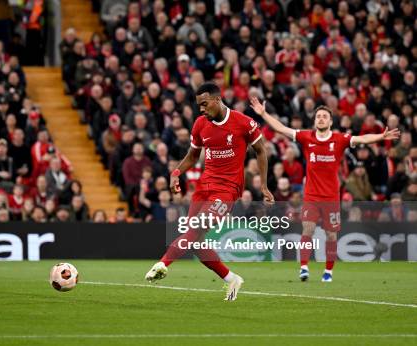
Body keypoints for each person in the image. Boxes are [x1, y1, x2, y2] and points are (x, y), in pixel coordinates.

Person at [145, 83, 273, 301]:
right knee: (195, 241)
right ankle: (231, 278)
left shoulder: (243, 123)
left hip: (227, 190)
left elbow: (261, 150)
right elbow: (193, 156)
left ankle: (162, 264)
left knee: (194, 229)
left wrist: (263, 185)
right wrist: (176, 172)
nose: (201, 109)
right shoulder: (200, 124)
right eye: (198, 106)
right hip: (204, 188)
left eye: (204, 104)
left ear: (217, 99)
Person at [250, 97, 399, 282]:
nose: (321, 119)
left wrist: (381, 137)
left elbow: (362, 139)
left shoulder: (339, 139)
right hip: (311, 195)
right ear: (314, 121)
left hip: (331, 197)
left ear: (330, 121)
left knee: (330, 234)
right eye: (318, 116)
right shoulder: (306, 137)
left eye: (324, 117)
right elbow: (281, 128)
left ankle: (328, 272)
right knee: (308, 229)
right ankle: (303, 267)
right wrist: (263, 113)